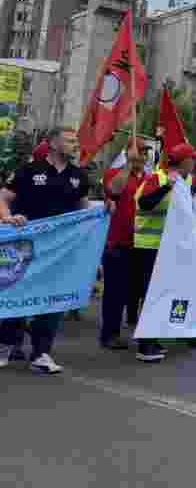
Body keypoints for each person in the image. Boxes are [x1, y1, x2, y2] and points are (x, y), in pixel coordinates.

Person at [0, 127, 92, 374]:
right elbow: (4, 197)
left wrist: (104, 210)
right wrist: (8, 217)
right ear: (53, 144)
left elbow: (83, 213)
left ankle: (41, 353)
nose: (75, 144)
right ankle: (6, 345)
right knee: (19, 293)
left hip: (60, 251)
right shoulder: (29, 170)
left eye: (76, 141)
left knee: (53, 298)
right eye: (70, 140)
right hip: (24, 248)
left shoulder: (79, 176)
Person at [134, 143, 196, 363]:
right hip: (149, 245)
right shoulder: (157, 178)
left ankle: (154, 336)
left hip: (171, 247)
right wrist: (166, 187)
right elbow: (143, 203)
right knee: (151, 294)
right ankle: (145, 344)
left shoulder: (188, 180)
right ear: (183, 162)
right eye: (192, 159)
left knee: (165, 292)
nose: (195, 163)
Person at [100, 138, 147, 351]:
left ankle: (142, 331)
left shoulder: (149, 178)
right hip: (118, 242)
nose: (142, 155)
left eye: (146, 151)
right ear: (127, 152)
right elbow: (114, 191)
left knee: (138, 290)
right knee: (115, 292)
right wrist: (128, 165)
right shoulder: (115, 173)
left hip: (142, 243)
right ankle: (110, 334)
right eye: (139, 150)